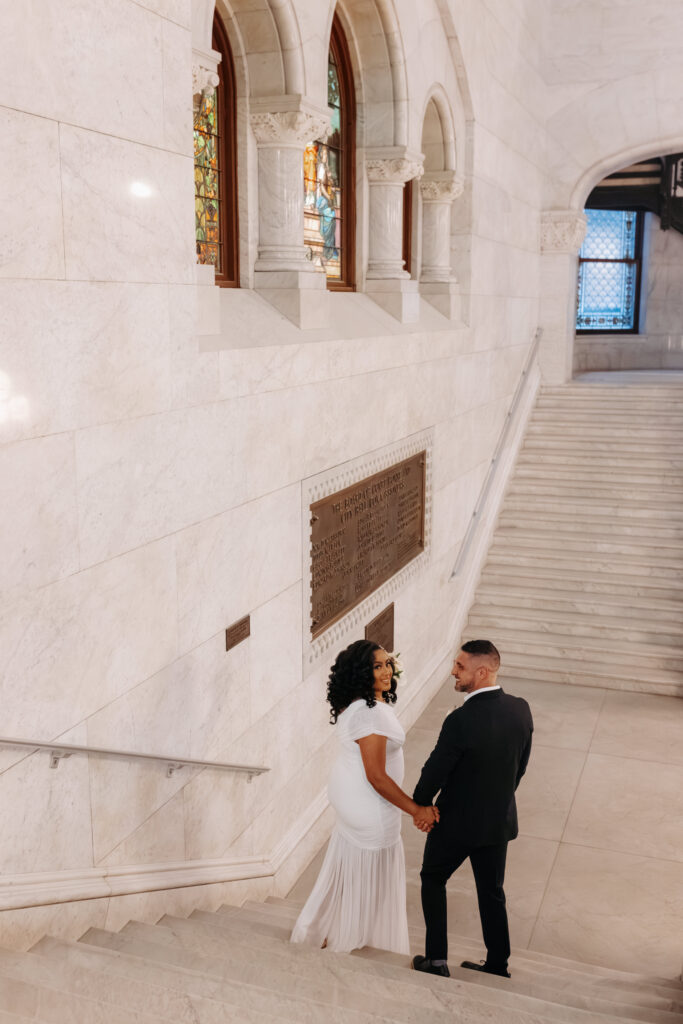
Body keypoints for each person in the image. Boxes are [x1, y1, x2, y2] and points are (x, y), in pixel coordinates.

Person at [290, 639, 438, 954]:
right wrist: (415, 810)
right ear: (362, 673)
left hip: (351, 799)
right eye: (378, 666)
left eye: (387, 663)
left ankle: (329, 927)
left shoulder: (356, 705)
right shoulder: (372, 714)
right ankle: (352, 936)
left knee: (351, 864)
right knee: (369, 873)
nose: (387, 671)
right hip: (369, 805)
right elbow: (377, 776)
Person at [411, 639, 533, 979]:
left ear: (482, 671)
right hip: (498, 823)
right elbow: (519, 768)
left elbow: (434, 771)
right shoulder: (521, 708)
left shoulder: (460, 720)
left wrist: (421, 805)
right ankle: (497, 965)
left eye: (460, 666)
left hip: (455, 824)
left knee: (433, 878)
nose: (453, 671)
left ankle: (436, 960)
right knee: (492, 892)